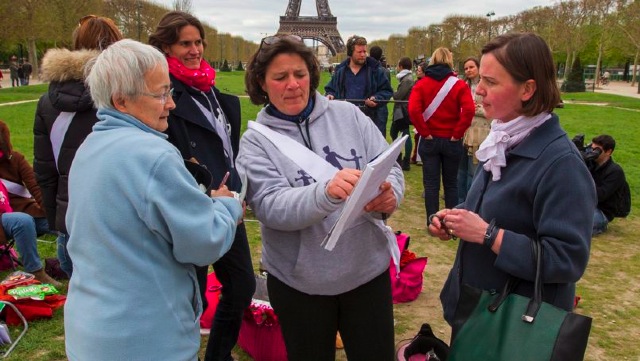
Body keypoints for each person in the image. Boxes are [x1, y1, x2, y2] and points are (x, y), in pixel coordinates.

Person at [64, 39, 243, 361]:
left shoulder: (90, 147)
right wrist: (227, 207)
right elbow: (204, 242)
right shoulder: (152, 154)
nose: (171, 104)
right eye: (161, 94)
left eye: (170, 91)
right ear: (121, 100)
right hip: (146, 338)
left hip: (91, 329)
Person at [238, 35, 404, 361]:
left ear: (312, 73)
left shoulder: (350, 115)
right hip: (301, 285)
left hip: (366, 273)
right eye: (280, 77)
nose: (293, 85)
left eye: (299, 74)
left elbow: (390, 166)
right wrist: (325, 193)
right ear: (261, 82)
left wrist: (391, 195)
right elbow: (271, 207)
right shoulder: (255, 142)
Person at [430, 33, 596, 330]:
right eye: (480, 79)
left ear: (527, 89)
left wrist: (488, 235)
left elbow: (567, 259)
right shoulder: (503, 139)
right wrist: (454, 217)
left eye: (491, 82)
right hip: (478, 311)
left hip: (515, 326)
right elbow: (490, 210)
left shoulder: (562, 163)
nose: (478, 90)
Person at [148, 11, 255, 361]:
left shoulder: (208, 87)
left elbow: (226, 146)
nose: (194, 50)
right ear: (166, 47)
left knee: (241, 287)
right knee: (192, 294)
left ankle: (218, 355)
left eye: (197, 42)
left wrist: (235, 188)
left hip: (227, 203)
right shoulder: (164, 95)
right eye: (185, 43)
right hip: (193, 204)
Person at [33, 14, 123, 279]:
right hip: (116, 220)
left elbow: (44, 171)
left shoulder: (46, 102)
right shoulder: (123, 95)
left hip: (69, 220)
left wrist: (58, 222)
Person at [408, 47, 474, 220]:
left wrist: (425, 132)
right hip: (451, 139)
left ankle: (433, 220)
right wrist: (457, 134)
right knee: (451, 184)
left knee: (431, 185)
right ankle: (451, 223)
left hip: (430, 139)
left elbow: (414, 110)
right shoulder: (459, 84)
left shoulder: (421, 84)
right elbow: (468, 110)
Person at [0, 120, 60, 287]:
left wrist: (53, 213)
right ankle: (36, 273)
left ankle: (72, 265)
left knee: (63, 221)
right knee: (22, 221)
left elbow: (36, 186)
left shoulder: (15, 159)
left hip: (23, 212)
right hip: (6, 218)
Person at [324, 35, 393, 137]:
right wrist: (330, 95)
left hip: (369, 120)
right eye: (359, 52)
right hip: (345, 121)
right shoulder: (340, 71)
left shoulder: (376, 70)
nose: (363, 55)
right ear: (350, 53)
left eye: (364, 52)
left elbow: (387, 91)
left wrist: (377, 98)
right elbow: (331, 89)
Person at [457, 57, 490, 203]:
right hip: (463, 132)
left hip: (480, 133)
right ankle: (459, 202)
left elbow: (491, 110)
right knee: (460, 172)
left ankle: (470, 204)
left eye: (471, 67)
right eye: (466, 68)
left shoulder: (486, 87)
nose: (468, 70)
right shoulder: (463, 86)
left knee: (473, 171)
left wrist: (475, 109)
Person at [588, 134, 629, 235]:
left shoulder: (615, 172)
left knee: (578, 226)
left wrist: (583, 178)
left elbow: (600, 196)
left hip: (602, 211)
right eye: (591, 149)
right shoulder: (590, 164)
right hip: (586, 205)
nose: (593, 153)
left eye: (597, 150)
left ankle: (601, 225)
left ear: (608, 151)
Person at [391, 57, 414, 171]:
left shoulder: (407, 80)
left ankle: (404, 159)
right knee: (397, 133)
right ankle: (401, 157)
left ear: (401, 66)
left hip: (402, 111)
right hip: (401, 110)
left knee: (404, 134)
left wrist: (391, 91)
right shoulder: (406, 78)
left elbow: (398, 96)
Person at [370, 45, 391, 136]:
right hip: (381, 104)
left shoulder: (365, 70)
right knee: (381, 134)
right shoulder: (385, 71)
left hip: (369, 102)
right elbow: (387, 88)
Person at [410, 62, 428, 165]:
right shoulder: (417, 82)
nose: (417, 71)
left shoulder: (423, 84)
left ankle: (418, 157)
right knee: (417, 136)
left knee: (421, 135)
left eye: (419, 70)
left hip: (424, 112)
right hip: (419, 111)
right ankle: (415, 156)